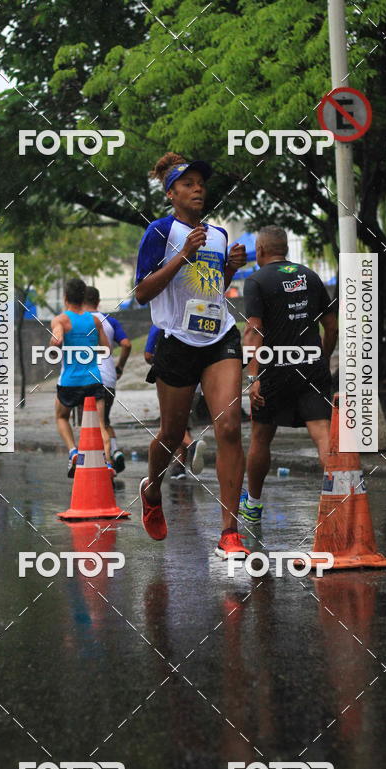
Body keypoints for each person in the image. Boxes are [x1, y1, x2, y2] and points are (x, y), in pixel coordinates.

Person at [135, 152, 248, 558]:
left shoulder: (216, 234)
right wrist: (182, 255)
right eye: (188, 183)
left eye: (201, 182)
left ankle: (230, 533)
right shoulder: (159, 232)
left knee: (230, 426)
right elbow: (142, 292)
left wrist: (231, 268)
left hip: (219, 337)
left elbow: (211, 290)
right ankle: (152, 488)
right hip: (177, 341)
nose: (198, 188)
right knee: (170, 433)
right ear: (171, 194)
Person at [240, 226, 338, 522]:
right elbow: (331, 326)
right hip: (312, 366)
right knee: (322, 435)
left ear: (259, 250)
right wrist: (323, 357)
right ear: (285, 249)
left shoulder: (256, 280)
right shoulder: (310, 275)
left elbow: (253, 330)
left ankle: (254, 505)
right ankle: (339, 500)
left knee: (260, 437)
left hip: (274, 369)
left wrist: (252, 377)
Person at [51, 278, 112, 477]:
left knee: (61, 416)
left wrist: (56, 342)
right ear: (83, 297)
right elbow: (106, 349)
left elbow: (57, 338)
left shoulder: (61, 320)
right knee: (100, 425)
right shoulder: (95, 321)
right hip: (94, 379)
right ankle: (108, 464)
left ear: (65, 297)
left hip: (70, 382)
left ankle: (73, 451)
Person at [144, 324, 206, 480]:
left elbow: (147, 354)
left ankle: (191, 446)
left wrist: (160, 360)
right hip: (197, 384)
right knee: (184, 424)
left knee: (172, 425)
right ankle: (180, 466)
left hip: (173, 381)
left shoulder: (161, 322)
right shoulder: (197, 320)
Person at [82, 286, 131, 473]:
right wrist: (120, 367)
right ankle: (115, 450)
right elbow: (126, 344)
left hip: (87, 378)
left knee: (92, 424)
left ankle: (105, 467)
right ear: (98, 302)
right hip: (109, 377)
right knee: (105, 420)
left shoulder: (77, 321)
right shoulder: (110, 321)